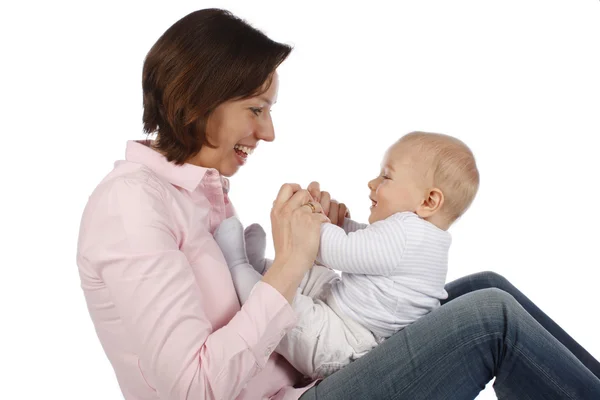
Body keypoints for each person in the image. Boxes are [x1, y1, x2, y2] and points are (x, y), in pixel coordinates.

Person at [76, 8, 600, 400]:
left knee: (487, 289)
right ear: (200, 98)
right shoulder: (131, 209)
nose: (269, 131)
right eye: (256, 109)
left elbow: (277, 308)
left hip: (319, 372)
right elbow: (192, 388)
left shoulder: (202, 197)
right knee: (491, 320)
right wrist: (293, 263)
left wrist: (323, 244)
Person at [212, 131, 480, 379]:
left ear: (428, 202)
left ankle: (237, 265)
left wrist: (311, 219)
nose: (372, 182)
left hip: (343, 341)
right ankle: (260, 266)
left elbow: (341, 252)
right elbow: (368, 244)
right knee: (314, 276)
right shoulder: (422, 237)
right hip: (343, 310)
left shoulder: (410, 235)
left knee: (281, 307)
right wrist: (339, 225)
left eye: (386, 177)